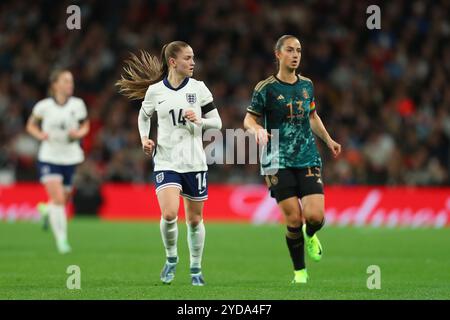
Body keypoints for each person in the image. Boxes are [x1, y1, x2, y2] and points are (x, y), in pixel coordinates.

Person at [116, 41, 222, 286]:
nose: (193, 62)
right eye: (187, 58)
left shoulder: (199, 88)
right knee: (170, 213)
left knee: (195, 221)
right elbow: (143, 116)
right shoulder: (155, 91)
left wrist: (200, 121)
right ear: (173, 62)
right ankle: (171, 258)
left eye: (193, 57)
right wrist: (145, 139)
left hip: (194, 162)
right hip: (166, 160)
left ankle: (195, 267)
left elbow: (217, 122)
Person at [243, 35, 341, 284]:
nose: (295, 54)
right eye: (290, 50)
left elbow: (312, 116)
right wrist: (256, 131)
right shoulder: (265, 88)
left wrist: (329, 141)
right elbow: (249, 120)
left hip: (307, 156)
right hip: (277, 160)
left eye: (298, 50)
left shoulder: (307, 85)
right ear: (278, 54)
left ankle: (311, 234)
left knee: (315, 217)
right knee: (294, 219)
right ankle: (300, 272)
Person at [26, 69, 90, 254]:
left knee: (64, 198)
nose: (70, 84)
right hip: (49, 156)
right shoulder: (43, 106)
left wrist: (79, 133)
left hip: (70, 156)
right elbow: (30, 125)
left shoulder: (78, 105)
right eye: (66, 81)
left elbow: (85, 125)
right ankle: (62, 241)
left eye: (71, 81)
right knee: (59, 199)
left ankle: (47, 211)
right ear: (55, 85)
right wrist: (40, 134)